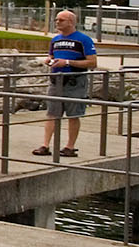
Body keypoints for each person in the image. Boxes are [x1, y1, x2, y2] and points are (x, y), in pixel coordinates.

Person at [35, 9, 98, 157]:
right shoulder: (55, 40)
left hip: (75, 81)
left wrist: (68, 62)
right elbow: (52, 55)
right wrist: (50, 60)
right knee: (52, 113)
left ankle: (70, 146)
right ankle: (45, 145)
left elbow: (92, 62)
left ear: (71, 22)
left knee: (73, 114)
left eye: (61, 20)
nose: (57, 22)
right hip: (56, 81)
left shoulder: (84, 40)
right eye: (56, 20)